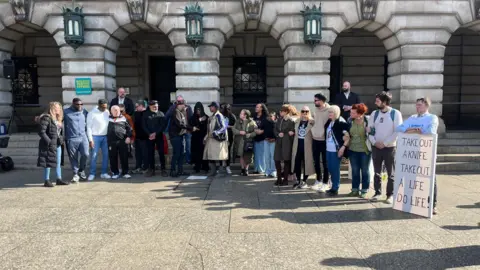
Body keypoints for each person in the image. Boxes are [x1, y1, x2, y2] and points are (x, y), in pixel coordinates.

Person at [396, 97, 439, 215]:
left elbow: (431, 132)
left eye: (419, 105)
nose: (417, 107)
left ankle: (432, 204)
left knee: (430, 179)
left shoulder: (432, 118)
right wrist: (415, 129)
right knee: (411, 178)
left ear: (426, 105)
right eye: (416, 105)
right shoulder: (412, 118)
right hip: (412, 153)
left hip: (426, 153)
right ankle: (411, 202)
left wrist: (412, 130)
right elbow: (399, 128)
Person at [368, 92, 403, 203]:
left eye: (378, 101)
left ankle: (390, 195)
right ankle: (377, 193)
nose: (375, 103)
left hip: (390, 147)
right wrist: (374, 142)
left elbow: (397, 131)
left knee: (390, 172)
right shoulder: (374, 114)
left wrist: (386, 143)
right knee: (377, 172)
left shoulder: (395, 113)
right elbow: (369, 130)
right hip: (376, 147)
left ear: (384, 102)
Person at [37, 102, 69, 187]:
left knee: (58, 162)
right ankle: (46, 180)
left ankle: (59, 179)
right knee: (48, 162)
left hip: (57, 144)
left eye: (59, 108)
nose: (58, 109)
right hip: (49, 144)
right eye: (56, 108)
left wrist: (61, 139)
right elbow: (41, 132)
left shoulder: (59, 119)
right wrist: (49, 141)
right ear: (51, 109)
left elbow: (60, 132)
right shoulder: (46, 118)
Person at [324, 105, 350, 196]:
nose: (329, 114)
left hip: (336, 149)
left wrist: (343, 147)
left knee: (335, 169)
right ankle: (332, 186)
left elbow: (347, 136)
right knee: (330, 168)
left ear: (336, 113)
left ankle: (335, 188)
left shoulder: (341, 122)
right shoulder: (329, 122)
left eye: (331, 112)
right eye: (329, 112)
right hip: (328, 149)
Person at [347, 103, 372, 198]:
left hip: (365, 150)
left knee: (365, 170)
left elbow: (374, 132)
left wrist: (370, 130)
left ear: (359, 113)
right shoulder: (350, 120)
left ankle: (364, 190)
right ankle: (355, 189)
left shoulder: (368, 120)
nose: (351, 114)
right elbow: (346, 130)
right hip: (353, 149)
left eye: (353, 113)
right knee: (355, 170)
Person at [63, 98, 89, 182]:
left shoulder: (84, 111)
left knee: (85, 154)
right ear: (73, 104)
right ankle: (75, 174)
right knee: (73, 158)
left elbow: (92, 118)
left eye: (81, 104)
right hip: (71, 138)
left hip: (83, 137)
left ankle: (81, 170)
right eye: (78, 104)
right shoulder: (66, 112)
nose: (80, 106)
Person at [311, 93, 331, 192]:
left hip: (325, 140)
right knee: (316, 161)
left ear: (322, 101)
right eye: (314, 100)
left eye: (316, 100)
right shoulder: (314, 110)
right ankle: (318, 180)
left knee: (325, 162)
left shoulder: (330, 110)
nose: (315, 102)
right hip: (315, 138)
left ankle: (326, 182)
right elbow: (313, 121)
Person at [86, 99, 111, 181]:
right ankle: (92, 173)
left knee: (106, 155)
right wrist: (90, 139)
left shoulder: (107, 112)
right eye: (103, 107)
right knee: (94, 156)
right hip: (95, 137)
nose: (104, 109)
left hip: (105, 136)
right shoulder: (92, 113)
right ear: (99, 105)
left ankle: (104, 173)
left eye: (106, 107)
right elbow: (88, 127)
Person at [291, 106, 315, 189]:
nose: (305, 113)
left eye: (306, 111)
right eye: (303, 111)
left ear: (309, 112)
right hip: (297, 145)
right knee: (297, 163)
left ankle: (304, 180)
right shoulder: (297, 121)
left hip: (307, 146)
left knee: (307, 163)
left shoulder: (312, 122)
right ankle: (297, 180)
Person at [203, 101, 229, 176]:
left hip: (218, 139)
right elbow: (209, 129)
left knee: (220, 155)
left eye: (211, 106)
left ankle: (221, 171)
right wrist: (206, 137)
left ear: (215, 107)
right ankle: (213, 170)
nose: (210, 108)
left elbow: (224, 127)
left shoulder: (219, 116)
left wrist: (215, 133)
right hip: (211, 139)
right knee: (210, 155)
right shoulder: (212, 116)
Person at [107, 105, 133, 179]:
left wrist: (128, 137)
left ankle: (125, 172)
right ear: (111, 111)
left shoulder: (124, 118)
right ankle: (115, 172)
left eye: (117, 110)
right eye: (114, 110)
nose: (116, 111)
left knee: (124, 157)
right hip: (111, 142)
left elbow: (129, 129)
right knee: (112, 157)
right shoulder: (107, 118)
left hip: (122, 141)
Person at [143, 100, 167, 177]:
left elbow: (163, 126)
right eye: (153, 106)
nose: (155, 107)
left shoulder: (161, 114)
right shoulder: (145, 114)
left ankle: (163, 169)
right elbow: (144, 125)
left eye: (156, 106)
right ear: (150, 106)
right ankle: (151, 170)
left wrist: (155, 133)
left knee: (161, 153)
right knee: (150, 153)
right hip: (149, 137)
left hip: (159, 136)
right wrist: (149, 134)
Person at [166, 95, 193, 164]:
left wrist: (190, 127)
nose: (180, 103)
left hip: (187, 129)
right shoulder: (173, 108)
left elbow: (191, 118)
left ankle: (188, 160)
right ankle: (176, 167)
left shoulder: (188, 107)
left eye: (181, 101)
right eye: (178, 101)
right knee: (179, 149)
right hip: (178, 131)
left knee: (188, 146)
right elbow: (167, 116)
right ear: (176, 102)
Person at [169, 99, 192, 177]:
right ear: (180, 105)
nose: (185, 108)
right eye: (184, 106)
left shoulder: (181, 113)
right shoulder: (176, 112)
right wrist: (191, 128)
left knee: (181, 154)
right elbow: (180, 124)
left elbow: (184, 123)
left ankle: (180, 170)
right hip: (175, 136)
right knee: (176, 154)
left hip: (179, 136)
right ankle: (172, 170)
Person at [274, 105, 295, 186]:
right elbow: (275, 129)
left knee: (286, 160)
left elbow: (293, 131)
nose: (280, 112)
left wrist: (288, 133)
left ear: (286, 112)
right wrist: (278, 134)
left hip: (287, 142)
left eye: (282, 111)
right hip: (279, 141)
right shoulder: (279, 120)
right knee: (277, 159)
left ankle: (285, 179)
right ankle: (279, 178)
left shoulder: (291, 121)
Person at [232, 109, 257, 176]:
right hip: (240, 141)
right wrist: (239, 132)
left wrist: (250, 135)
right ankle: (242, 169)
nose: (240, 114)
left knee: (248, 156)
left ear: (245, 115)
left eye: (241, 113)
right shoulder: (237, 121)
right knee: (241, 155)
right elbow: (233, 129)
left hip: (248, 142)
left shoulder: (252, 122)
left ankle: (246, 169)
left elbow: (255, 132)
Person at [190, 102, 209, 173]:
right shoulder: (193, 117)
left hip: (203, 137)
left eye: (199, 109)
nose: (198, 111)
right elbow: (190, 125)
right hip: (195, 138)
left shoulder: (206, 117)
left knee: (204, 153)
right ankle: (197, 166)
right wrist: (199, 121)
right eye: (197, 109)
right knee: (196, 153)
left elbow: (207, 127)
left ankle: (205, 166)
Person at [132, 100, 148, 174]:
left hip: (144, 137)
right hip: (137, 136)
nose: (136, 107)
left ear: (141, 106)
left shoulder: (147, 113)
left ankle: (145, 167)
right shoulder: (135, 113)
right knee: (137, 153)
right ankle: (138, 167)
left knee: (145, 153)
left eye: (137, 106)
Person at [253, 103, 269, 175]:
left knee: (262, 154)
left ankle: (262, 169)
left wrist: (261, 131)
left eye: (257, 107)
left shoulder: (265, 117)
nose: (256, 108)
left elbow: (268, 126)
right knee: (256, 154)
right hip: (255, 137)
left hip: (263, 138)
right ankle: (256, 168)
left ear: (262, 108)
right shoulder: (254, 117)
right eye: (256, 107)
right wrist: (255, 130)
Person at [222, 103, 236, 175]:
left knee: (228, 150)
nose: (227, 110)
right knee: (221, 151)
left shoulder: (232, 116)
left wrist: (228, 126)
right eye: (225, 109)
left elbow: (235, 126)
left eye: (228, 109)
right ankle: (222, 165)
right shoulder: (221, 116)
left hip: (229, 135)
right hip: (221, 135)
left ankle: (228, 166)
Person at [264, 112, 277, 178]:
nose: (270, 117)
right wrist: (265, 138)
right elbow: (262, 131)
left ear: (274, 117)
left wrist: (274, 139)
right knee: (267, 157)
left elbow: (278, 133)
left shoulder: (276, 123)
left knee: (273, 157)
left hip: (273, 141)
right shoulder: (265, 123)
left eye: (271, 116)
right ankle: (267, 170)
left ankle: (273, 171)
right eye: (269, 116)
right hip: (266, 141)